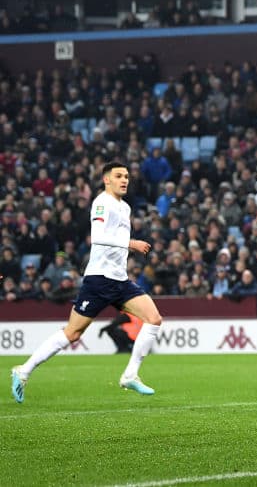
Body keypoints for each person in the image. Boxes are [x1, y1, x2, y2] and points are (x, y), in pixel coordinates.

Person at [11, 162, 161, 403]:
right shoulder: (102, 203)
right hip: (99, 280)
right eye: (118, 176)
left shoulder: (125, 208)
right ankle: (23, 370)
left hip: (119, 280)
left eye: (126, 176)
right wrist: (132, 244)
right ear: (106, 180)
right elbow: (98, 237)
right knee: (72, 333)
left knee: (154, 319)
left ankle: (130, 375)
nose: (124, 180)